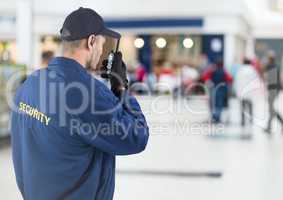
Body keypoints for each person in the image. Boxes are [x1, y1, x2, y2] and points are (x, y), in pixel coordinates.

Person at [10, 7, 149, 200]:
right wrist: (121, 88)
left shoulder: (29, 85)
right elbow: (136, 136)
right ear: (91, 41)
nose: (101, 50)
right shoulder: (88, 94)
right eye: (101, 43)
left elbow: (20, 153)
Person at [264, 51, 283, 134]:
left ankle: (269, 127)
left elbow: (268, 78)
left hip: (272, 90)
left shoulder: (269, 66)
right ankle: (269, 127)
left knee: (271, 109)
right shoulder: (276, 66)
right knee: (271, 109)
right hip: (276, 89)